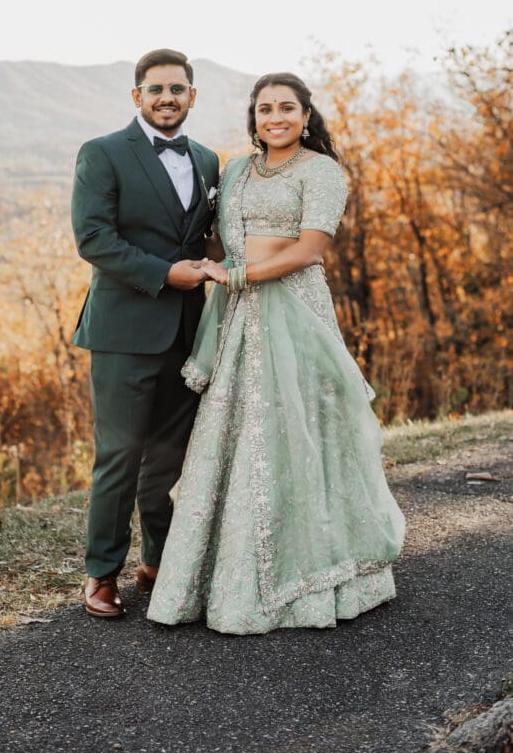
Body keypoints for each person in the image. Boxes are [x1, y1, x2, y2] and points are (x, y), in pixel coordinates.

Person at [147, 72, 405, 634]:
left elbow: (309, 251)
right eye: (264, 109)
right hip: (237, 317)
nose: (275, 118)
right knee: (235, 433)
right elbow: (218, 241)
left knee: (298, 427)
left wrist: (236, 276)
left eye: (286, 108)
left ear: (306, 115)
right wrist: (191, 263)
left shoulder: (323, 171)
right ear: (254, 118)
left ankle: (306, 572)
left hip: (293, 312)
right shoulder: (237, 169)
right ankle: (221, 574)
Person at [71, 48, 220, 618]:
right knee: (120, 454)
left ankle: (158, 560)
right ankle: (101, 573)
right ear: (137, 96)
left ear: (192, 96)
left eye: (177, 89)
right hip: (123, 330)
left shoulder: (208, 160)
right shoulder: (103, 153)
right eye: (155, 89)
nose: (166, 98)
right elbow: (93, 239)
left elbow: (205, 237)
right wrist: (164, 274)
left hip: (188, 330)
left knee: (170, 457)